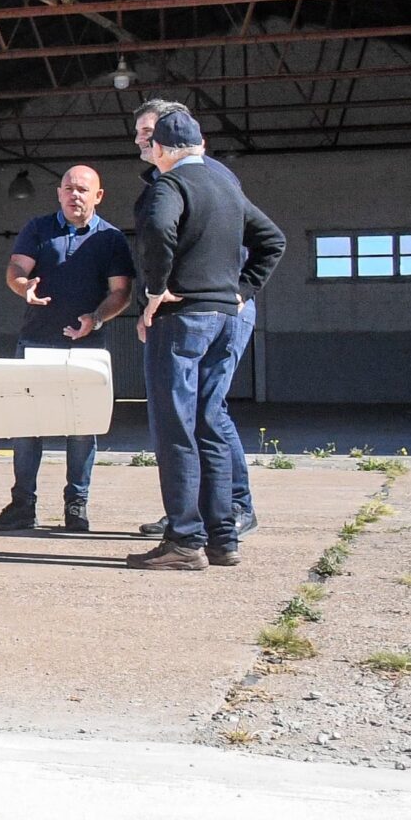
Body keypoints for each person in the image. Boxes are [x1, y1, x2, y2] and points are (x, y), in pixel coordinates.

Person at [128, 110, 286, 569]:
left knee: (175, 426)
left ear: (160, 149)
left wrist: (156, 289)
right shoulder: (226, 185)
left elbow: (159, 228)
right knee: (209, 423)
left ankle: (183, 539)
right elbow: (272, 239)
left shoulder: (170, 184)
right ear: (200, 144)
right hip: (224, 319)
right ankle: (223, 539)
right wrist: (243, 289)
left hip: (182, 319)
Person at [0, 165, 133, 534]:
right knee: (27, 428)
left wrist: (96, 318)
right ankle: (23, 505)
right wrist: (24, 287)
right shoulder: (38, 228)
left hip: (87, 347)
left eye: (82, 189)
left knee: (82, 429)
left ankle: (76, 506)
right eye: (68, 188)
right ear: (58, 193)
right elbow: (16, 268)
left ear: (98, 196)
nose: (74, 195)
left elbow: (121, 292)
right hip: (36, 341)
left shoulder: (111, 238)